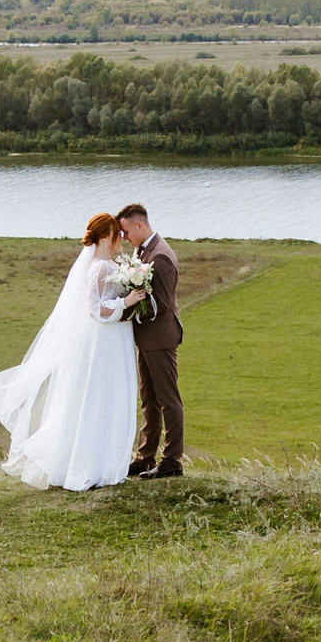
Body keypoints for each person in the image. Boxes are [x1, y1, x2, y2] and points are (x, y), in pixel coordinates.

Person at [0, 213, 142, 491]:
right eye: (116, 235)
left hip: (113, 338)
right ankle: (90, 466)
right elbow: (98, 309)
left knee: (107, 396)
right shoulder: (100, 268)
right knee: (99, 398)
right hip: (104, 340)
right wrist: (127, 300)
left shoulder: (107, 265)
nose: (120, 240)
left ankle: (104, 463)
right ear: (104, 238)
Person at [117, 202, 183, 479]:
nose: (124, 237)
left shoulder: (161, 256)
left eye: (126, 231)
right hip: (146, 339)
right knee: (148, 399)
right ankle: (145, 457)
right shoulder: (142, 251)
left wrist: (124, 309)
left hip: (160, 338)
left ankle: (171, 462)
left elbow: (163, 305)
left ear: (139, 225)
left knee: (168, 400)